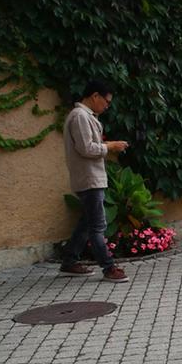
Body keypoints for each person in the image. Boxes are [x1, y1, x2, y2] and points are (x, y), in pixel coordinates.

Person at [60, 80, 130, 282]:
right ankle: (108, 268)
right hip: (89, 178)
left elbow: (88, 145)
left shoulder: (84, 116)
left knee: (86, 223)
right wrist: (110, 147)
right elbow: (86, 148)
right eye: (106, 101)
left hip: (90, 177)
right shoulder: (80, 116)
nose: (107, 106)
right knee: (97, 226)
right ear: (95, 96)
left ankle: (69, 262)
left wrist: (108, 144)